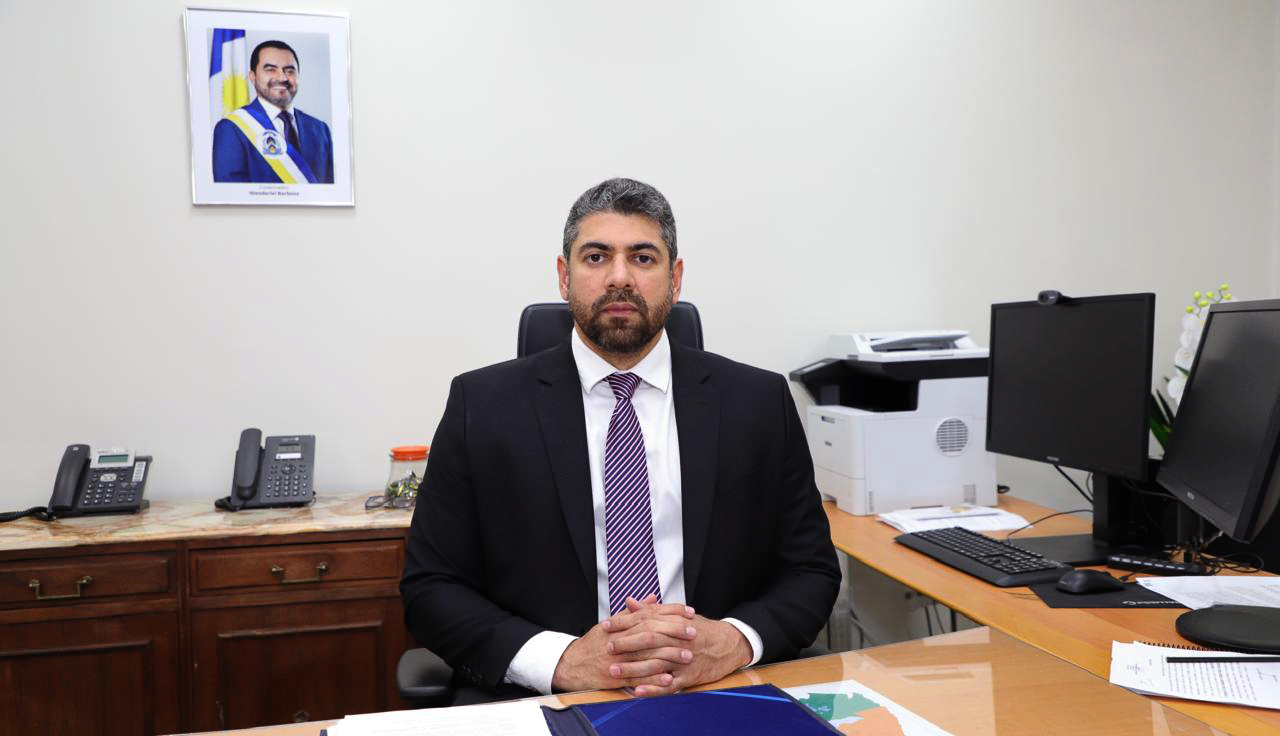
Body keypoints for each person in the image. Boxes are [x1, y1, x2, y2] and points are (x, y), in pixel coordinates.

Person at [400, 178, 840, 704]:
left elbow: (810, 570)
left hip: (717, 687)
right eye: (596, 257)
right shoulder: (482, 406)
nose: (619, 277)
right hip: (550, 697)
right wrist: (560, 660)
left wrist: (732, 643)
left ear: (675, 279)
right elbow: (432, 587)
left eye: (643, 258)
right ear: (564, 276)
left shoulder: (758, 402)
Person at [212, 40, 334, 184]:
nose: (282, 78)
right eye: (271, 70)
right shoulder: (232, 129)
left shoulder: (320, 129)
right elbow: (231, 194)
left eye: (290, 71)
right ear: (252, 77)